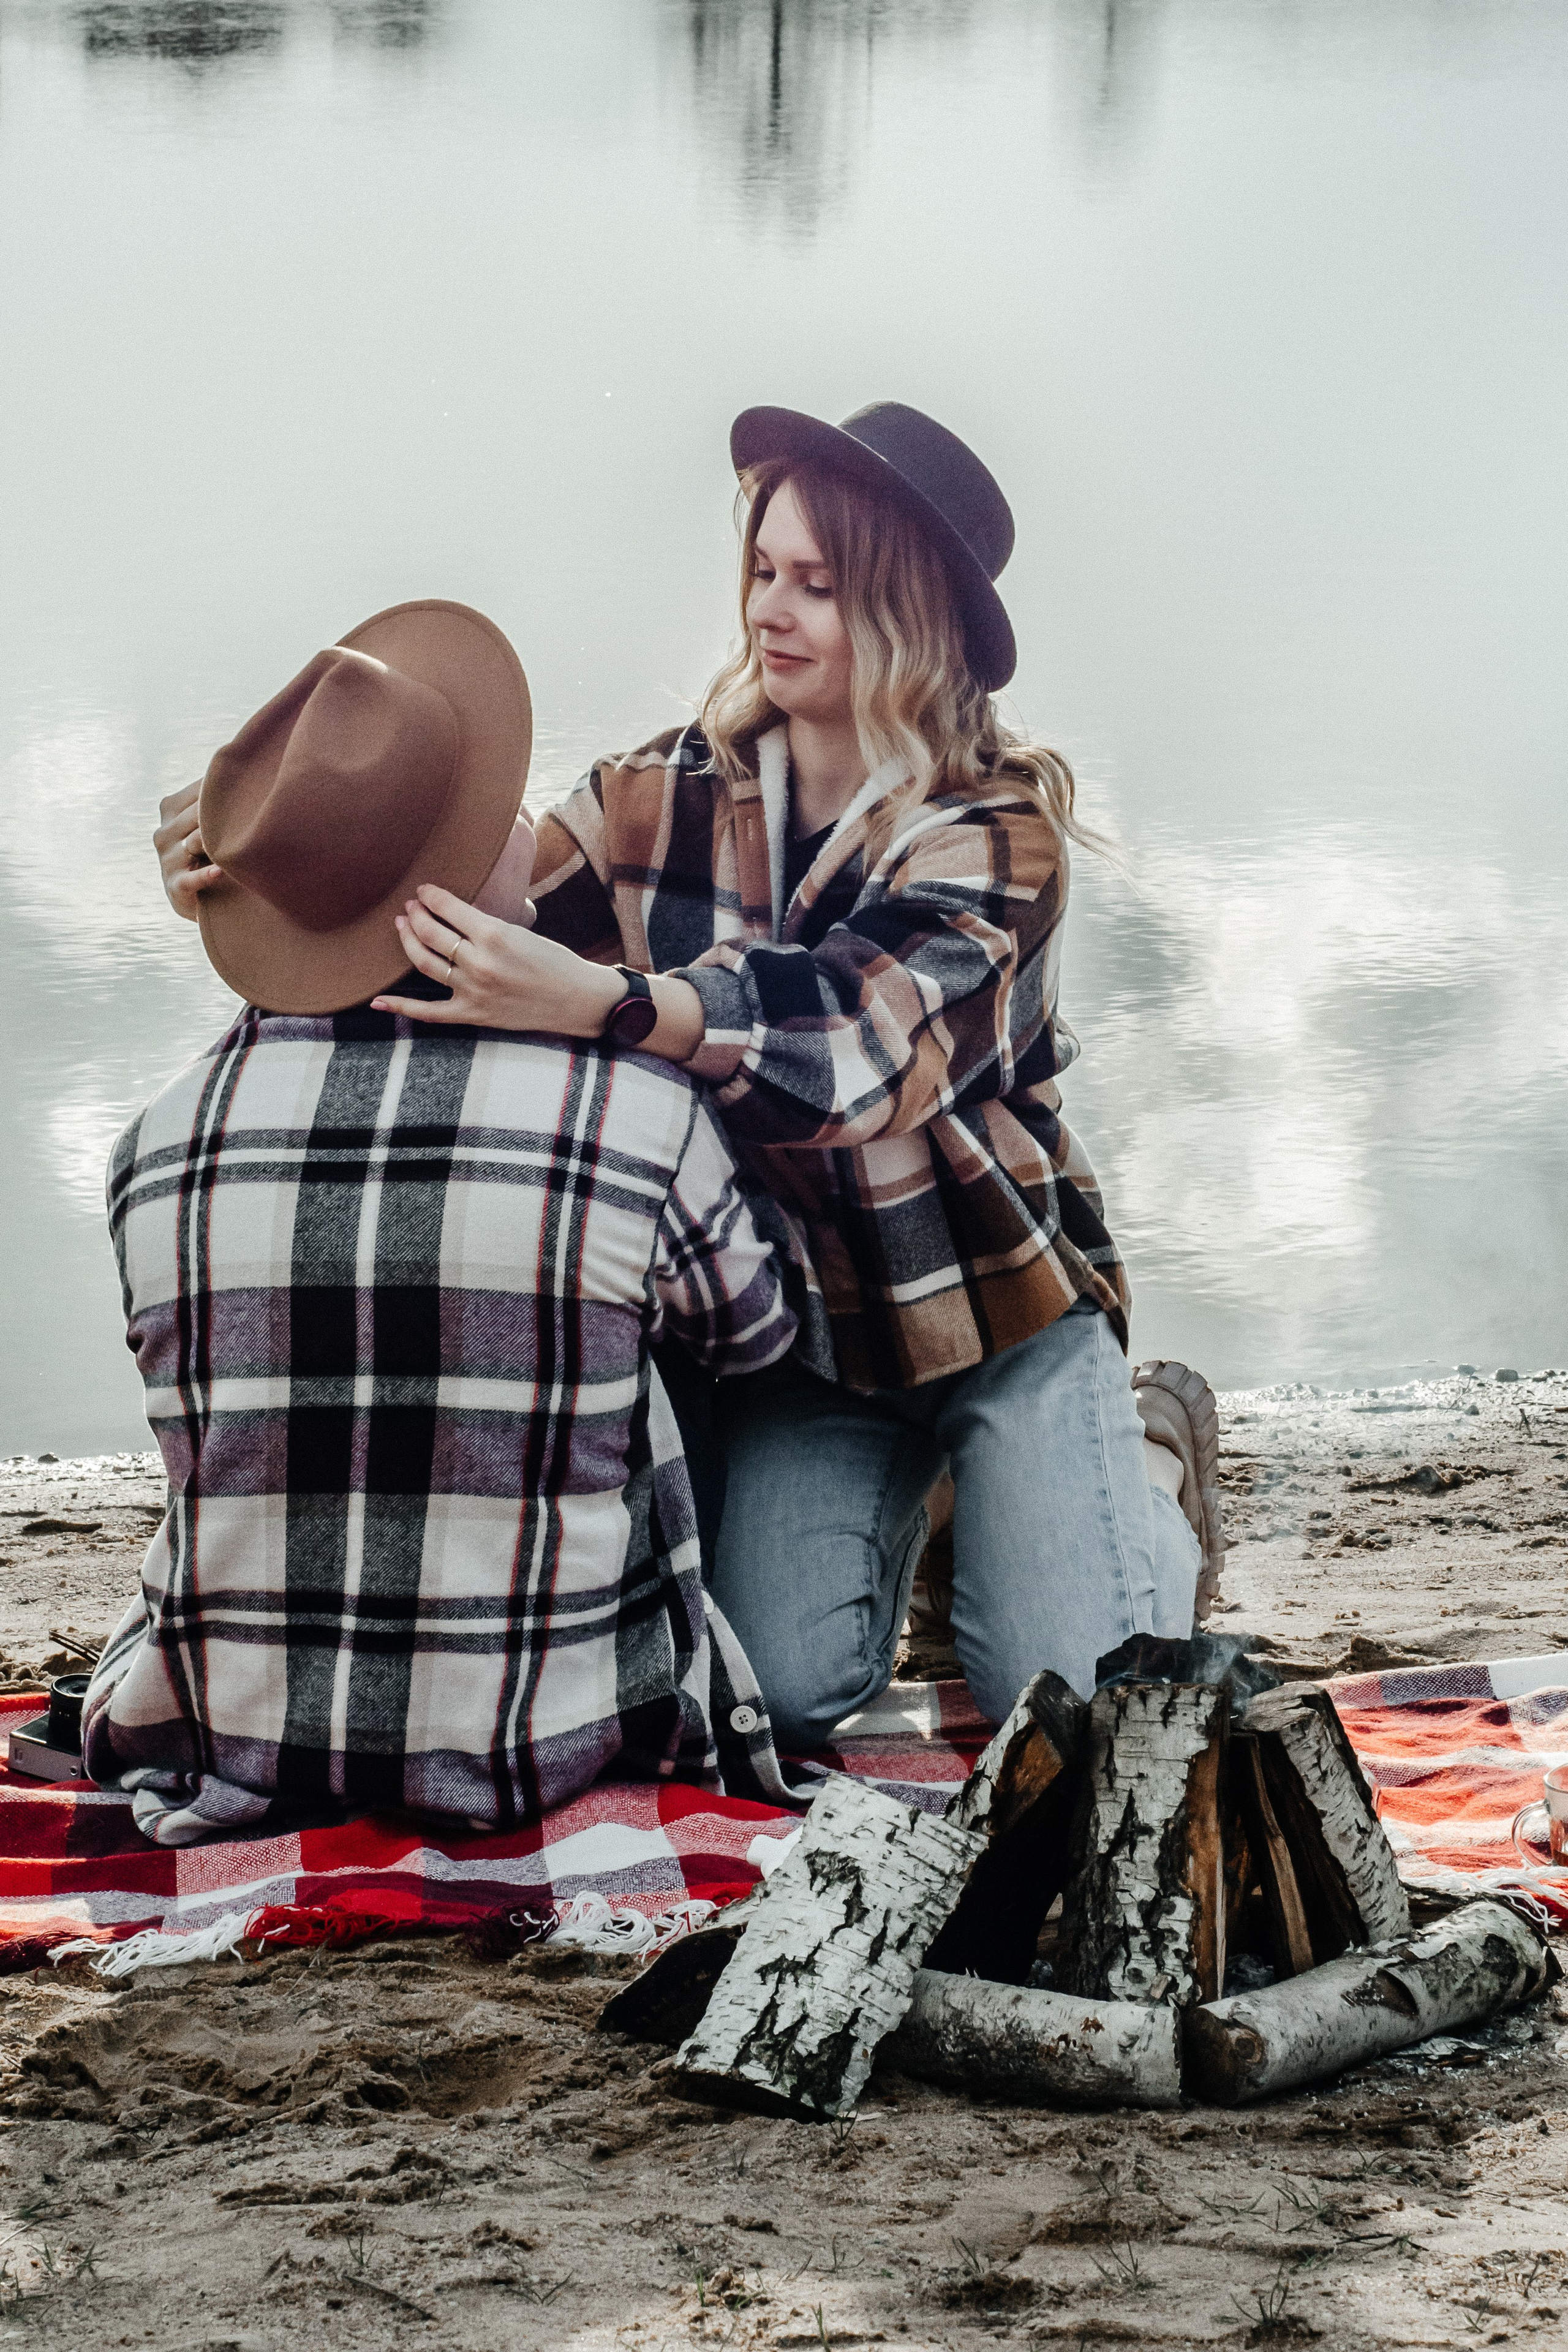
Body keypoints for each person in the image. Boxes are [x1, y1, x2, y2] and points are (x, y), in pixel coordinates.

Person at [155, 408, 1220, 1743]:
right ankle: (957, 1516)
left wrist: (612, 1002)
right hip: (810, 1339)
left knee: (1072, 1706)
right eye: (764, 569)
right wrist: (267, 862)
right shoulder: (657, 794)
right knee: (783, 1692)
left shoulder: (995, 833)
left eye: (817, 586)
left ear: (908, 615)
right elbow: (462, 926)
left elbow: (854, 1048)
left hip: (1001, 1316)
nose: (770, 610)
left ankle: (1151, 1468)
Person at [96, 600, 796, 1847]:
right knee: (648, 1337)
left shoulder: (158, 1144)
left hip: (239, 1736)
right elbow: (756, 1337)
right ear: (462, 875)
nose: (533, 821)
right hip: (543, 1743)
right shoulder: (631, 1115)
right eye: (502, 805)